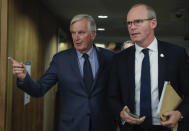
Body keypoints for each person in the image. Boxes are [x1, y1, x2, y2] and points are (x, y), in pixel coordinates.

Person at [8, 14, 116, 131]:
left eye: (81, 32)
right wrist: (24, 78)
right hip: (71, 126)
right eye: (73, 33)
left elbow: (119, 90)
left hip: (104, 125)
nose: (76, 38)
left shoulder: (109, 57)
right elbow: (39, 89)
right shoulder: (60, 60)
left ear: (92, 34)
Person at [108, 3, 189, 131]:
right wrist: (120, 112)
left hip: (167, 126)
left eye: (138, 22)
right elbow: (111, 96)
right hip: (132, 127)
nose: (132, 27)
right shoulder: (119, 59)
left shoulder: (176, 54)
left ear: (153, 23)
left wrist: (179, 113)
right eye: (129, 23)